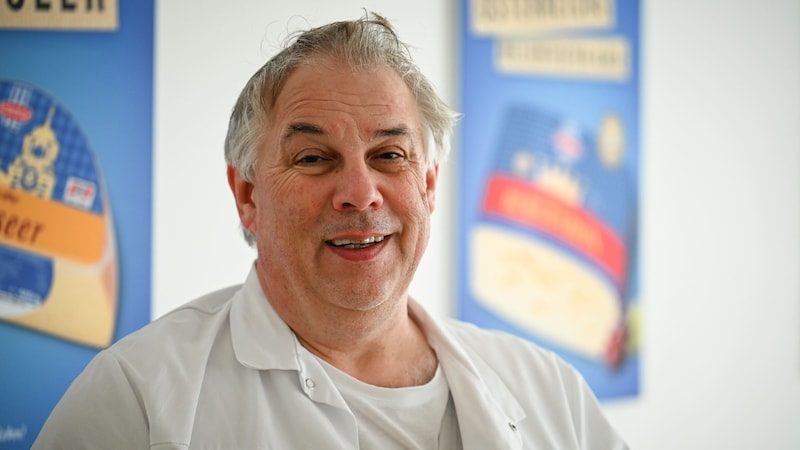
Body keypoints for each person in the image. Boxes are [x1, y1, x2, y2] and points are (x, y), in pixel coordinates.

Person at [33, 12, 628, 449]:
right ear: (247, 196)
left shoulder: (554, 394)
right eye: (313, 158)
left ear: (428, 185)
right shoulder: (136, 401)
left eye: (390, 155)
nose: (360, 192)